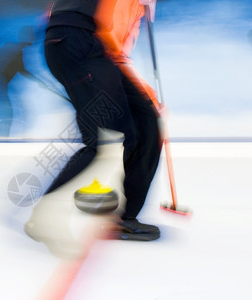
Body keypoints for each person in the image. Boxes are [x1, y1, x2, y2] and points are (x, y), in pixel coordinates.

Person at [24, 0, 163, 257]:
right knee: (101, 140)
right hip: (75, 41)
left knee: (140, 128)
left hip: (88, 45)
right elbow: (113, 40)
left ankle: (122, 218)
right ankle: (44, 217)